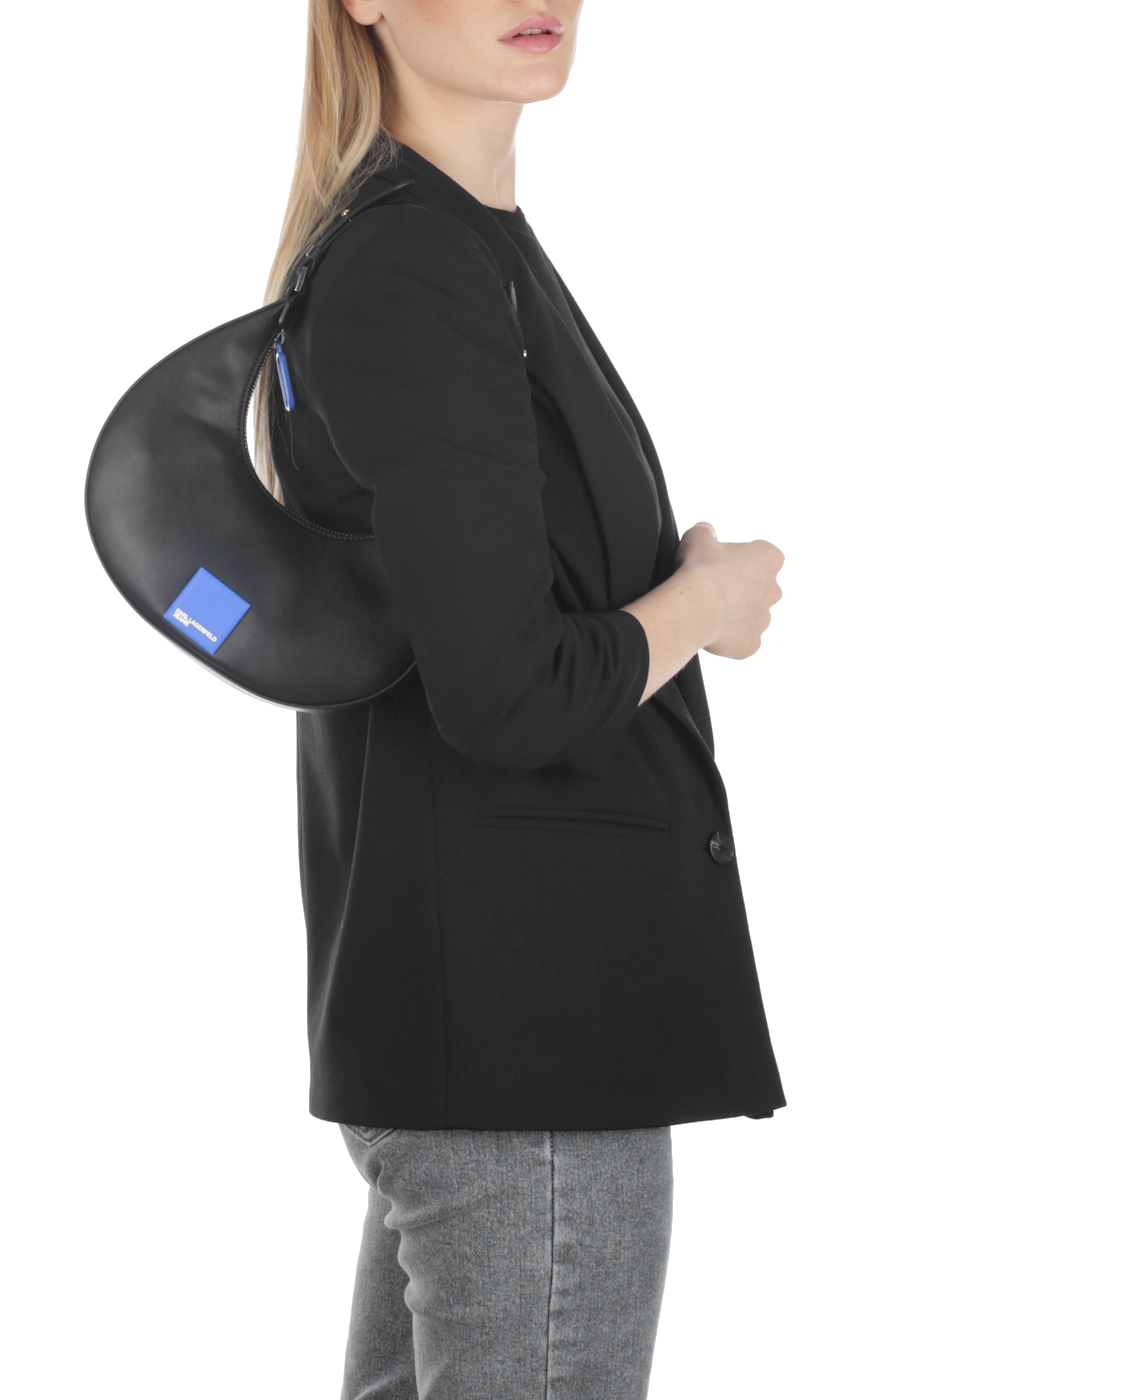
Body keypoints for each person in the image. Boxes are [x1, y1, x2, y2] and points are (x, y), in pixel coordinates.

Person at [258, 4, 786, 1396]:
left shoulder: (459, 246)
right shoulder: (415, 262)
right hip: (527, 1057)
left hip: (502, 1050)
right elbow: (511, 695)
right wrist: (702, 605)